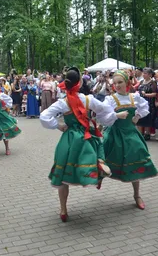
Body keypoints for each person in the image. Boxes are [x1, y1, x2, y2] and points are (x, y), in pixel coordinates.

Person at [40, 67, 128, 222]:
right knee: (96, 149)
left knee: (63, 172)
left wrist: (58, 125)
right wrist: (111, 117)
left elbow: (44, 116)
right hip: (87, 136)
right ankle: (99, 165)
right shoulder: (88, 100)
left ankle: (63, 209)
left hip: (69, 139)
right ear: (80, 83)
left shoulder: (62, 102)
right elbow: (105, 110)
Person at [103, 70, 158, 210]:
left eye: (120, 82)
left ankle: (137, 195)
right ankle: (98, 178)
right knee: (104, 159)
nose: (117, 85)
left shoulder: (135, 97)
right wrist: (116, 115)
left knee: (137, 157)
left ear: (127, 83)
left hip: (131, 134)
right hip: (115, 134)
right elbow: (103, 117)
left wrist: (137, 116)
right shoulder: (110, 99)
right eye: (114, 83)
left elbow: (145, 106)